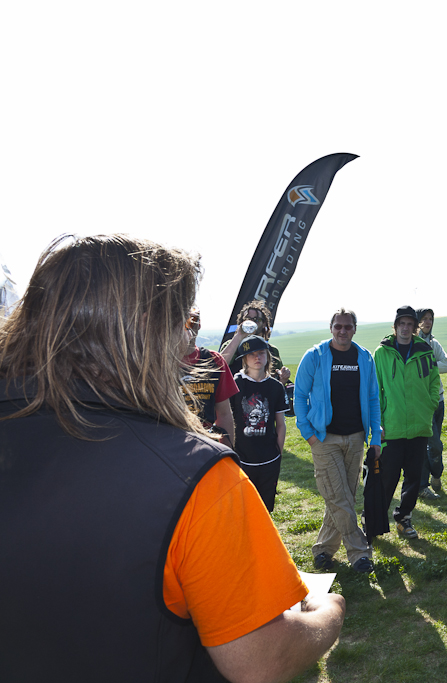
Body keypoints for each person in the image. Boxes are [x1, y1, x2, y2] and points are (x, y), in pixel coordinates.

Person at [0, 234, 344, 682]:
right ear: (147, 329)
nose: (186, 341)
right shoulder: (195, 475)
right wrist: (328, 612)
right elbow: (261, 658)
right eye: (181, 322)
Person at [294, 308, 381, 574]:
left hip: (355, 438)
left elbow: (373, 398)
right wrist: (308, 434)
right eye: (338, 326)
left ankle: (323, 550)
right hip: (324, 438)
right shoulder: (315, 356)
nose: (343, 331)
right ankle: (360, 553)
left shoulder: (364, 357)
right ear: (331, 328)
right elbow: (299, 396)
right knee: (339, 497)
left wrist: (375, 436)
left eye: (348, 326)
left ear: (355, 329)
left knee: (342, 496)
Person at [374, 306, 440, 540]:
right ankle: (374, 521)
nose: (405, 328)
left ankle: (404, 518)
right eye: (401, 323)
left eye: (410, 324)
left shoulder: (425, 351)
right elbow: (375, 390)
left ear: (415, 328)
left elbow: (434, 380)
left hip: (419, 426)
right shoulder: (382, 353)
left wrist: (430, 404)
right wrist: (378, 422)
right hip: (392, 428)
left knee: (413, 478)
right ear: (395, 326)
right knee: (387, 478)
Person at [230, 335, 288, 512]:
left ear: (268, 356)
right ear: (244, 359)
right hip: (241, 459)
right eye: (251, 354)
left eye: (261, 353)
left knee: (265, 509)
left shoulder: (276, 387)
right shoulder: (235, 384)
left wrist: (278, 452)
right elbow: (226, 420)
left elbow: (281, 424)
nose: (257, 357)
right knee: (242, 508)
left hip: (269, 458)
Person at [182, 306, 239, 449]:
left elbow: (224, 414)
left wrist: (228, 451)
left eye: (192, 320)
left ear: (199, 324)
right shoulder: (159, 363)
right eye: (182, 321)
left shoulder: (214, 360)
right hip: (169, 444)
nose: (188, 327)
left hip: (204, 444)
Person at [416, 307, 447, 500]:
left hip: (439, 400)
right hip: (421, 403)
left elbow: (446, 365)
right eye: (423, 319)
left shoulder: (434, 343)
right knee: (431, 445)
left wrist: (429, 364)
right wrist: (432, 364)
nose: (427, 322)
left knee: (434, 444)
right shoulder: (412, 344)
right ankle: (425, 483)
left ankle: (434, 476)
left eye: (430, 319)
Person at [220, 299, 291, 384]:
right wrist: (239, 336)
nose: (252, 322)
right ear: (241, 322)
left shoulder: (271, 350)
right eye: (248, 319)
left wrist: (283, 379)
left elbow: (276, 384)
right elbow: (219, 367)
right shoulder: (231, 345)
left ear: (264, 323)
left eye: (257, 319)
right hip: (236, 391)